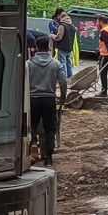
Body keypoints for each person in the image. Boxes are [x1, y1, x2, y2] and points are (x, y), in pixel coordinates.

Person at [26, 37, 62, 165]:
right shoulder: (55, 64)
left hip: (33, 99)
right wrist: (62, 98)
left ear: (36, 47)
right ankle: (48, 157)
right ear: (49, 47)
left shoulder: (29, 64)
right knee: (49, 128)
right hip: (49, 99)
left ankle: (30, 153)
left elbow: (23, 82)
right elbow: (63, 82)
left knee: (31, 127)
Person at [48, 9, 74, 98]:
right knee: (68, 63)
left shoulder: (62, 26)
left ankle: (64, 80)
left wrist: (52, 36)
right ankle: (70, 79)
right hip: (69, 48)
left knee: (62, 64)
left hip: (62, 47)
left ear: (61, 17)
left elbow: (59, 37)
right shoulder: (72, 26)